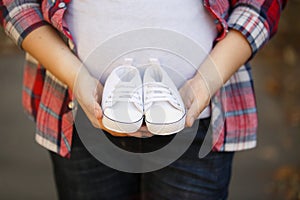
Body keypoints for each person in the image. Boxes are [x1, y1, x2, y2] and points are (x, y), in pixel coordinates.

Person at [0, 0, 286, 199]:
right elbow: (15, 4)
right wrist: (78, 79)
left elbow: (261, 3)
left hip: (208, 115)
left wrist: (205, 83)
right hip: (72, 110)